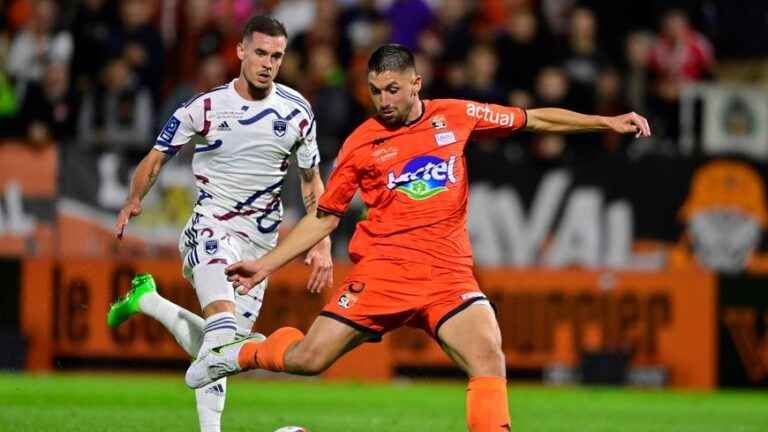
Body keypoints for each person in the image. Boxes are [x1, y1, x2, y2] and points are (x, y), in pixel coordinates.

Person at [186, 44, 650, 431]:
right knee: (308, 359)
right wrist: (266, 264)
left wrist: (604, 122)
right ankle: (238, 351)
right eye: (374, 91)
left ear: (415, 84)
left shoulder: (457, 116)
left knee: (489, 357)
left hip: (448, 275)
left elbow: (532, 120)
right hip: (383, 274)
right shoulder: (360, 145)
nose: (383, 100)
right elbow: (324, 217)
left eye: (392, 89)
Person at [107, 16, 333, 432]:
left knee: (223, 354)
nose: (268, 63)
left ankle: (148, 302)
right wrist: (133, 199)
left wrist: (319, 243)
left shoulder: (298, 113)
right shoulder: (206, 107)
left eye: (277, 56)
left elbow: (310, 180)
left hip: (261, 248)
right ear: (241, 52)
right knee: (225, 332)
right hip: (211, 227)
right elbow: (157, 156)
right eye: (261, 53)